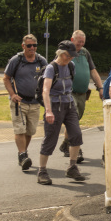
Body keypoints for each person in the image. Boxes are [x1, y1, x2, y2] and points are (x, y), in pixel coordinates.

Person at [37, 41, 86, 186]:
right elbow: (45, 90)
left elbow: (70, 84)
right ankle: (42, 171)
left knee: (76, 134)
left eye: (72, 56)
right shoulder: (51, 68)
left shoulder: (71, 66)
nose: (70, 58)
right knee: (50, 138)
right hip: (54, 105)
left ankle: (72, 167)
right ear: (61, 54)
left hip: (69, 104)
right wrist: (48, 111)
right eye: (68, 56)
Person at [58, 30, 105, 163]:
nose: (80, 45)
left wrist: (100, 87)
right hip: (69, 93)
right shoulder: (65, 53)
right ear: (72, 40)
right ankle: (76, 149)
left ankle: (66, 144)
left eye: (83, 43)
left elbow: (93, 70)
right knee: (74, 122)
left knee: (74, 121)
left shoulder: (85, 52)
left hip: (82, 94)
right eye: (79, 43)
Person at [3, 34, 48, 172]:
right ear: (23, 46)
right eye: (29, 45)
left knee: (30, 131)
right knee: (20, 129)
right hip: (19, 101)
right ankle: (23, 155)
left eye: (34, 45)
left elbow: (49, 78)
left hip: (35, 102)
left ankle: (22, 154)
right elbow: (6, 78)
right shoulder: (16, 60)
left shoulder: (41, 61)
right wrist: (12, 94)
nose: (32, 48)